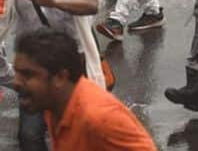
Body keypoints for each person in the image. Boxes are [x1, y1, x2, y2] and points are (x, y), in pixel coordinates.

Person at [0, 0, 104, 151]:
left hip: (73, 65)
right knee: (30, 136)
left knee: (82, 133)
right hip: (34, 68)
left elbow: (91, 3)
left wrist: (54, 2)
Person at [12, 28, 156, 150]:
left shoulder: (98, 118)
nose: (16, 83)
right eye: (16, 73)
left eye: (27, 75)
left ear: (60, 77)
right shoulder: (53, 105)